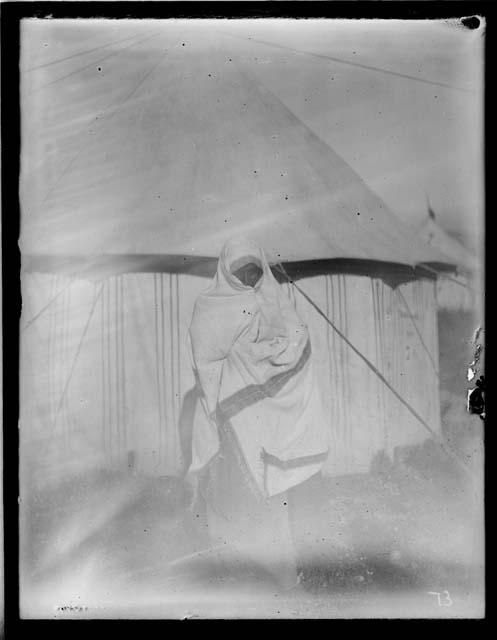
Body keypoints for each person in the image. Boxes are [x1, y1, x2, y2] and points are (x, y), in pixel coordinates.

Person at [187, 236, 329, 590]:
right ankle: (239, 571)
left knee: (275, 499)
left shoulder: (274, 299)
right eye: (240, 271)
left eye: (253, 270)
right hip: (234, 423)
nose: (248, 278)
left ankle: (281, 574)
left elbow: (296, 340)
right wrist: (251, 358)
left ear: (262, 269)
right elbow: (208, 363)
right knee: (236, 498)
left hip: (273, 421)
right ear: (226, 271)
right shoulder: (210, 307)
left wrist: (261, 356)